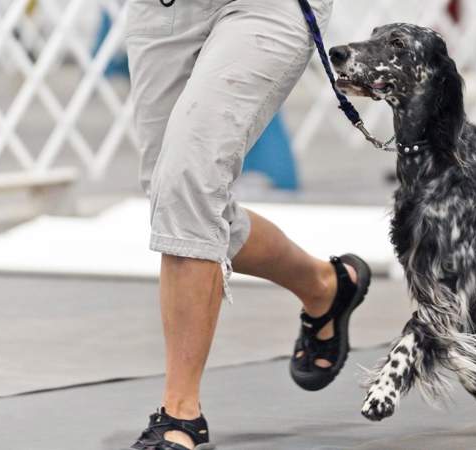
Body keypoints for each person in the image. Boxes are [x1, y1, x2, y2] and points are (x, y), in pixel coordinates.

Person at [123, 0, 368, 448]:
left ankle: (180, 415)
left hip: (265, 6)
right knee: (177, 201)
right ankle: (325, 286)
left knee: (188, 182)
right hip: (163, 10)